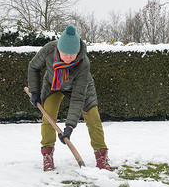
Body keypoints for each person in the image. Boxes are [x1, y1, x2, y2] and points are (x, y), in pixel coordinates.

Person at [27, 25, 112, 172]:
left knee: (93, 118)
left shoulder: (83, 63)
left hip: (80, 88)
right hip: (54, 85)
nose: (68, 58)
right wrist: (34, 92)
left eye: (72, 55)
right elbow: (33, 67)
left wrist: (69, 126)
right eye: (65, 54)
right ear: (58, 49)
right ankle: (47, 155)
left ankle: (101, 157)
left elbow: (78, 98)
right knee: (48, 116)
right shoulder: (49, 50)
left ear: (78, 51)